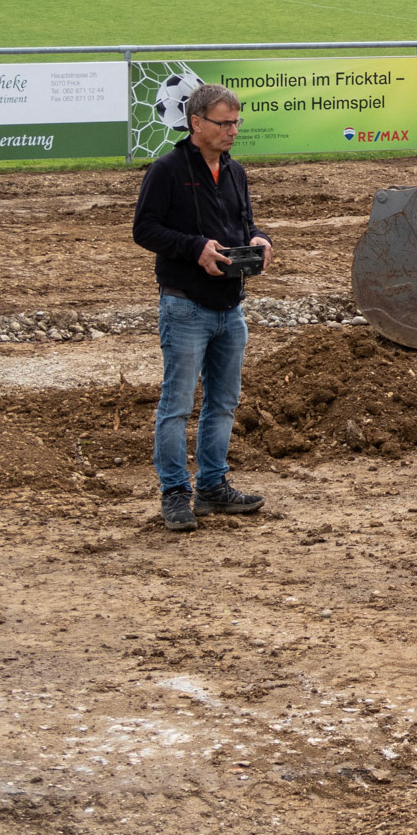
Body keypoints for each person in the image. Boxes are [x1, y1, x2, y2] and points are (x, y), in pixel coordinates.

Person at [132, 83, 272, 532]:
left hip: (230, 307)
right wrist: (195, 248)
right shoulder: (167, 170)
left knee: (223, 402)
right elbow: (144, 229)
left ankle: (212, 487)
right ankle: (175, 493)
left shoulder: (235, 172)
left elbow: (244, 222)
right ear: (196, 123)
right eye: (224, 123)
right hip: (185, 306)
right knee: (176, 405)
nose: (233, 130)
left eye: (237, 122)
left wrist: (259, 239)